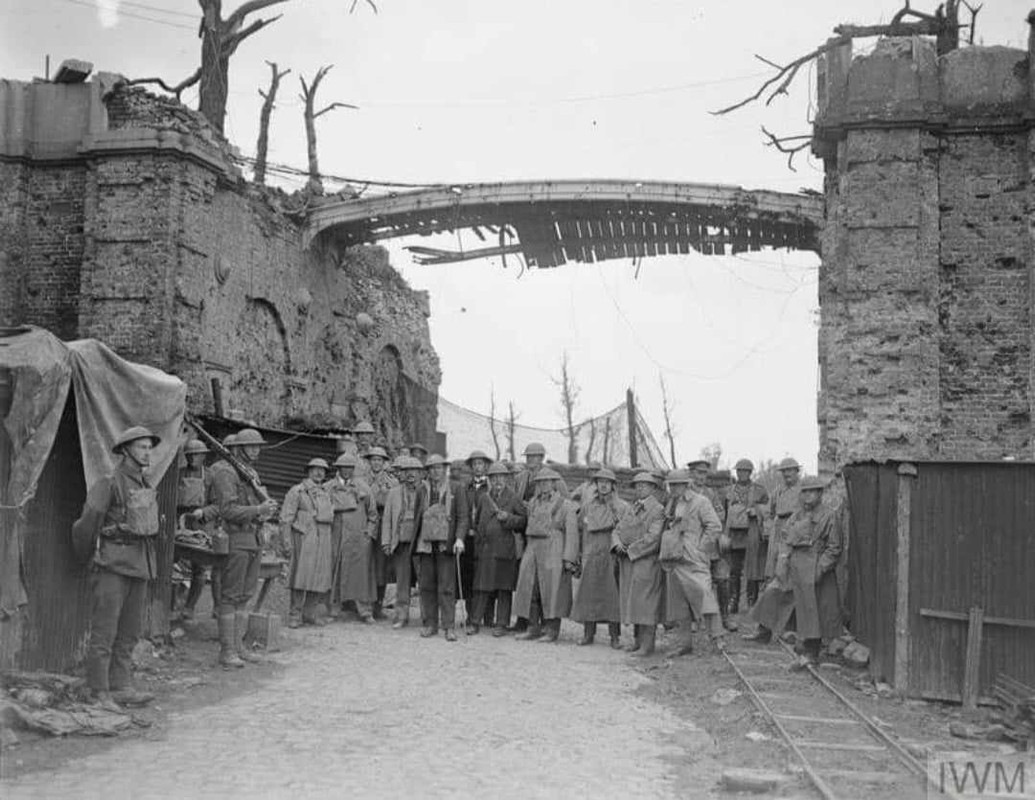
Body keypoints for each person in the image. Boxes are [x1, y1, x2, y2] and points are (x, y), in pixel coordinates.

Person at [73, 426, 163, 711]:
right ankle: (97, 690)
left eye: (149, 447)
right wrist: (89, 557)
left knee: (129, 632)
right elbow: (88, 523)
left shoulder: (146, 485)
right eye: (141, 447)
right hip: (112, 566)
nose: (147, 452)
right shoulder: (109, 483)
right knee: (105, 632)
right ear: (125, 451)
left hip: (139, 568)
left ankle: (121, 686)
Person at [209, 428, 277, 668]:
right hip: (236, 538)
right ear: (238, 448)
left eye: (258, 445)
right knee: (230, 595)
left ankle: (239, 646)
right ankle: (227, 651)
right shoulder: (226, 473)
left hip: (254, 539)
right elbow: (226, 510)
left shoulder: (250, 472)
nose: (256, 449)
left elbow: (257, 505)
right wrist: (258, 511)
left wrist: (264, 510)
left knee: (245, 595)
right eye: (251, 446)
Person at [776, 476, 843, 669]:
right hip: (797, 566)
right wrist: (783, 560)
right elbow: (785, 538)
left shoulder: (829, 516)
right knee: (802, 608)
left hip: (816, 566)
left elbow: (834, 548)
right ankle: (803, 642)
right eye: (804, 492)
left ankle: (812, 652)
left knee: (817, 610)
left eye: (812, 491)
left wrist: (820, 569)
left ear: (820, 494)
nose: (808, 496)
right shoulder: (796, 516)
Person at [659, 469, 727, 656]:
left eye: (677, 484)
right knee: (679, 603)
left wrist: (701, 548)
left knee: (705, 596)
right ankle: (684, 643)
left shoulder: (700, 501)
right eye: (671, 484)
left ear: (686, 484)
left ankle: (718, 638)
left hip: (694, 560)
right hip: (674, 558)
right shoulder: (671, 503)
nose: (673, 488)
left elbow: (714, 526)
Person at [513, 468, 578, 643]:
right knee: (530, 589)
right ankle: (532, 627)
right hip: (532, 550)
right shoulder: (533, 503)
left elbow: (572, 534)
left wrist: (569, 558)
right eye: (540, 482)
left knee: (552, 591)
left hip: (553, 550)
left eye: (547, 481)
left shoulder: (565, 505)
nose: (543, 485)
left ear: (554, 483)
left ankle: (551, 630)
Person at [744, 458, 802, 644]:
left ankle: (790, 630)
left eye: (790, 471)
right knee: (776, 583)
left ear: (797, 472)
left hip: (798, 540)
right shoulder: (778, 491)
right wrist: (770, 529)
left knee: (792, 587)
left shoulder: (803, 491)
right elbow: (769, 513)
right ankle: (765, 630)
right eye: (784, 471)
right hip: (779, 539)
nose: (787, 474)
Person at [413, 454, 468, 640]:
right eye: (431, 468)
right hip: (426, 544)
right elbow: (417, 517)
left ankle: (448, 626)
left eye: (438, 468)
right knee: (427, 585)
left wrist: (460, 538)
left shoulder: (456, 488)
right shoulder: (422, 489)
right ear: (427, 471)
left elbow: (463, 516)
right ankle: (430, 624)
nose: (435, 471)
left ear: (444, 469)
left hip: (447, 544)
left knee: (447, 586)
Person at [570, 468, 626, 648]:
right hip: (591, 553)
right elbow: (580, 529)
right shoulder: (587, 505)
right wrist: (579, 554)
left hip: (611, 556)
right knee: (589, 594)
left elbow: (626, 531)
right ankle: (588, 634)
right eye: (600, 482)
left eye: (607, 482)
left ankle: (615, 637)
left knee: (612, 596)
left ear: (613, 485)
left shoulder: (621, 507)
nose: (603, 485)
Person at [612, 472, 667, 656]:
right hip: (629, 563)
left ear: (653, 488)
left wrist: (631, 550)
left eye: (645, 485)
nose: (640, 488)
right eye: (638, 485)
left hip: (646, 562)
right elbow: (618, 529)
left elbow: (654, 538)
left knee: (646, 603)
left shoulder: (658, 510)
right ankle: (637, 641)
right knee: (633, 600)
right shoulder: (631, 508)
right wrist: (617, 543)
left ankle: (647, 645)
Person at [471, 461, 527, 636]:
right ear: (490, 479)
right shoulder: (484, 498)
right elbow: (478, 521)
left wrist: (509, 518)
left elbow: (524, 521)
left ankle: (501, 624)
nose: (497, 480)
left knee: (504, 589)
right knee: (481, 587)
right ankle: (474, 622)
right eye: (494, 477)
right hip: (486, 550)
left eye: (501, 477)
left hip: (505, 551)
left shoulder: (514, 497)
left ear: (507, 479)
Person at [280, 458, 335, 628]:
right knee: (300, 576)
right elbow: (285, 518)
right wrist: (286, 542)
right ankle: (295, 614)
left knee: (319, 577)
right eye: (315, 469)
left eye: (322, 470)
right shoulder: (297, 491)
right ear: (308, 471)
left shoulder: (327, 492)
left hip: (323, 539)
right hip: (304, 539)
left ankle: (309, 613)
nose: (319, 473)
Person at [325, 453, 378, 623]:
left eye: (350, 467)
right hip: (336, 537)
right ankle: (333, 609)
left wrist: (369, 534)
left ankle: (365, 611)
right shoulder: (329, 487)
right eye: (343, 467)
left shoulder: (364, 487)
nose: (346, 471)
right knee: (335, 571)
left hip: (359, 538)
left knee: (361, 574)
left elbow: (373, 514)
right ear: (338, 468)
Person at [687, 459, 734, 631]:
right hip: (692, 545)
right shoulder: (684, 492)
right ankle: (693, 618)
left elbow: (720, 515)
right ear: (691, 473)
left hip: (711, 545)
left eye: (704, 473)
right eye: (699, 472)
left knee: (723, 579)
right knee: (692, 580)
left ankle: (725, 616)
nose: (702, 476)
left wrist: (721, 535)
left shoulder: (710, 493)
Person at [176, 438, 219, 621]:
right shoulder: (178, 474)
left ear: (204, 456)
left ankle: (189, 607)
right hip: (180, 523)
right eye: (189, 454)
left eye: (197, 454)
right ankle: (170, 603)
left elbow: (218, 505)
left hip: (201, 526)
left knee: (199, 568)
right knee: (170, 561)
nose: (193, 457)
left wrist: (204, 512)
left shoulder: (209, 476)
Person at [380, 455, 425, 629]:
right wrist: (386, 541)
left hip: (421, 544)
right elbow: (387, 519)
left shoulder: (426, 490)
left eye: (414, 471)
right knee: (402, 582)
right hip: (401, 543)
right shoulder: (394, 493)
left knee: (425, 581)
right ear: (402, 473)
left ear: (421, 473)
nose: (410, 474)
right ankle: (401, 616)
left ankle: (427, 617)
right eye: (407, 471)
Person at [725, 458, 769, 617]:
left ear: (750, 473)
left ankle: (752, 601)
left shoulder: (760, 490)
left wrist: (756, 510)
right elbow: (724, 514)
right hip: (734, 535)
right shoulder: (728, 491)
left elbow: (768, 510)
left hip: (752, 533)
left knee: (753, 570)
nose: (741, 474)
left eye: (745, 471)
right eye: (739, 471)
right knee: (734, 570)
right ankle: (733, 601)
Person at [362, 445, 397, 619]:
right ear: (369, 462)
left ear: (384, 463)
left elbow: (393, 503)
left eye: (379, 460)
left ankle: (378, 605)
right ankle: (361, 606)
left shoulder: (392, 481)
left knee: (381, 567)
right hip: (365, 525)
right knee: (364, 564)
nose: (376, 463)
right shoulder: (361, 480)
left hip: (384, 526)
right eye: (373, 460)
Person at [462, 450, 493, 631]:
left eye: (481, 464)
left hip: (486, 538)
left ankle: (488, 617)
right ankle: (470, 615)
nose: (477, 467)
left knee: (485, 575)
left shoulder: (490, 486)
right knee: (469, 576)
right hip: (468, 537)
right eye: (474, 464)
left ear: (486, 466)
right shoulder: (466, 487)